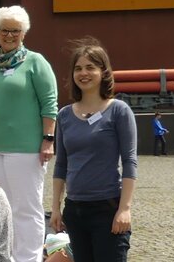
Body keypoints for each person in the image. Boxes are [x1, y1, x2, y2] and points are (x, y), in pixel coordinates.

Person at [0, 5, 57, 262]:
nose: (10, 35)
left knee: (26, 209)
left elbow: (50, 103)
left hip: (26, 150)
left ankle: (29, 259)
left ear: (24, 33)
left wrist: (48, 140)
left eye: (15, 31)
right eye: (4, 30)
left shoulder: (35, 62)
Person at [49, 38, 137, 262]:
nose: (83, 73)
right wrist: (56, 208)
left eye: (90, 67)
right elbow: (61, 165)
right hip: (75, 211)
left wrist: (124, 209)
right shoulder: (65, 115)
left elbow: (129, 161)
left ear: (103, 72)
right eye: (78, 68)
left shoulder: (118, 110)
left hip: (107, 208)